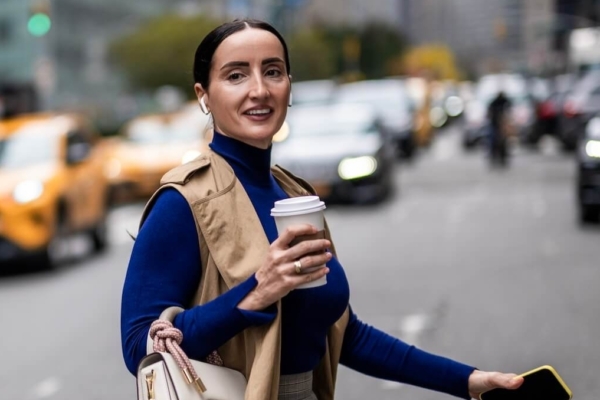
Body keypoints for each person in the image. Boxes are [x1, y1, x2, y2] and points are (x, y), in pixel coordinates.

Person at [120, 19, 524, 400]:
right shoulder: (184, 202)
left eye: (273, 71)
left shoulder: (294, 195)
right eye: (236, 75)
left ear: (289, 87)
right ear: (203, 95)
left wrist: (468, 381)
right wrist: (256, 293)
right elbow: (140, 345)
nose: (259, 89)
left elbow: (344, 334)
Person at [487, 90, 512, 168]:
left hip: (502, 125)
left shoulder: (505, 102)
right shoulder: (494, 104)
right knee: (493, 140)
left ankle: (502, 158)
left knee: (503, 141)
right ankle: (494, 157)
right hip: (495, 125)